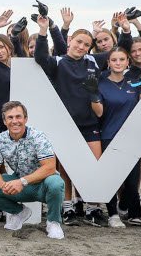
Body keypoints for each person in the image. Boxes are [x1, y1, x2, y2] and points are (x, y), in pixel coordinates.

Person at [33, 15, 105, 224]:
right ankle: (68, 207)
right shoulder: (57, 62)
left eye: (86, 45)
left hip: (89, 124)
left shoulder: (93, 62)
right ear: (70, 41)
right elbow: (40, 57)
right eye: (79, 42)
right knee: (65, 168)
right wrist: (43, 30)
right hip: (64, 125)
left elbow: (121, 51)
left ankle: (92, 208)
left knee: (94, 165)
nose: (81, 47)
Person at [0, 101, 66, 240]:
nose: (15, 121)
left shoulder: (38, 136)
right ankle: (19, 213)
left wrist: (22, 181)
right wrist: (3, 186)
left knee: (56, 183)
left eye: (18, 117)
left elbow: (50, 167)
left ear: (25, 118)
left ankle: (53, 222)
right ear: (4, 121)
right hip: (19, 184)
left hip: (43, 185)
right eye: (10, 117)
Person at [96, 47, 141, 226]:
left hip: (132, 138)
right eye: (114, 60)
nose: (118, 63)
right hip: (108, 136)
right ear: (108, 62)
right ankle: (113, 214)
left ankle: (129, 208)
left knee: (132, 180)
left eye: (121, 59)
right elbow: (99, 113)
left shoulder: (135, 83)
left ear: (127, 62)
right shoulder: (101, 84)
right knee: (111, 177)